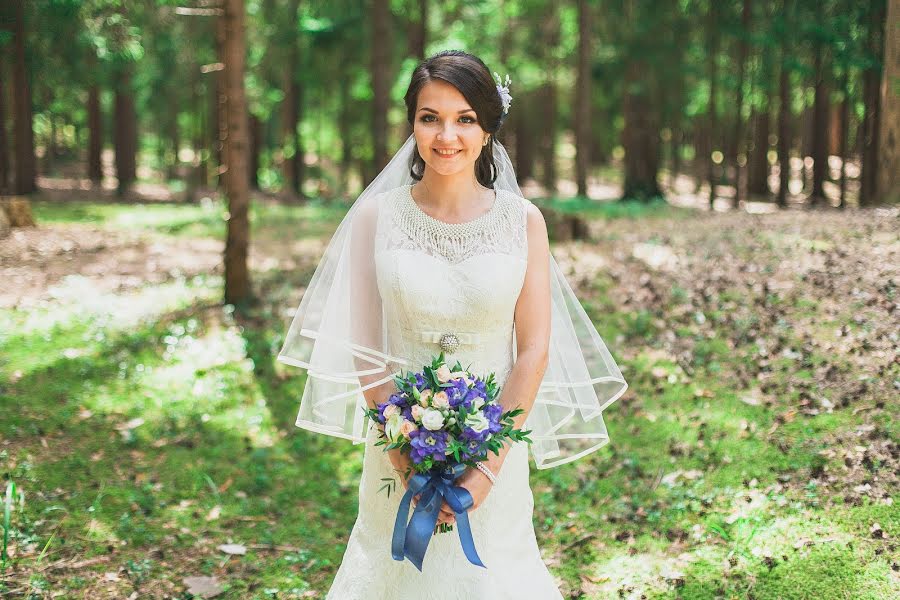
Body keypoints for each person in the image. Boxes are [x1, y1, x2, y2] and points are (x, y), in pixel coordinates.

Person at [277, 50, 628, 599]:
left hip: (496, 441)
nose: (447, 135)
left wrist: (485, 469)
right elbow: (364, 347)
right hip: (396, 434)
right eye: (430, 117)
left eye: (465, 118)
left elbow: (534, 349)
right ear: (412, 124)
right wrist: (403, 455)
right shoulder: (375, 218)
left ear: (487, 129)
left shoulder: (524, 223)